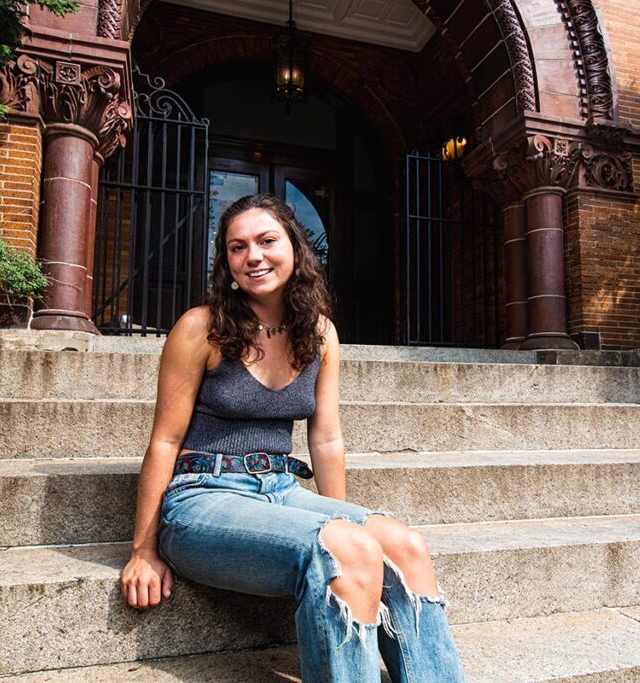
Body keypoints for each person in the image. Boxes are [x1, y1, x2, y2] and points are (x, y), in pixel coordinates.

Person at [120, 193, 465, 682]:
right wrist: (143, 550)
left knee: (404, 545)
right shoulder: (202, 328)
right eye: (237, 248)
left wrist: (340, 529)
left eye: (266, 241)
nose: (253, 257)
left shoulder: (320, 333)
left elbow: (325, 439)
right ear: (227, 262)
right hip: (201, 497)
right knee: (347, 547)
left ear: (296, 249)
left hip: (281, 489)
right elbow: (164, 442)